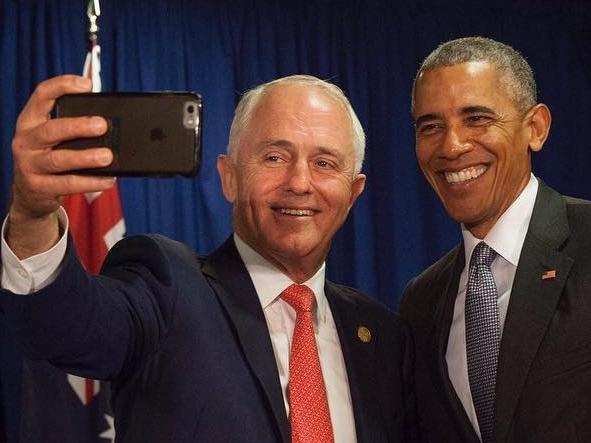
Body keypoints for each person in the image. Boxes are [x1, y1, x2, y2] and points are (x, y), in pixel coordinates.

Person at [0, 74, 417, 442]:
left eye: (324, 163)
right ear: (229, 177)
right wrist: (32, 215)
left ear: (353, 193)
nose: (300, 182)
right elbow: (67, 328)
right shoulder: (166, 285)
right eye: (275, 157)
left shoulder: (381, 335)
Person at [400, 36, 591, 443]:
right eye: (430, 126)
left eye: (477, 118)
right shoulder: (420, 301)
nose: (452, 146)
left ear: (535, 128)